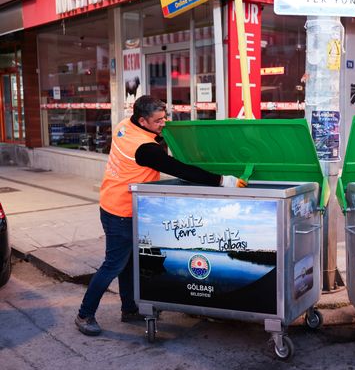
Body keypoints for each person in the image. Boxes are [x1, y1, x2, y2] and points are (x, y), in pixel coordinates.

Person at [75, 95, 247, 336]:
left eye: (165, 117)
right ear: (143, 121)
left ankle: (129, 309)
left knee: (128, 264)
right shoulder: (145, 149)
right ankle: (85, 314)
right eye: (158, 121)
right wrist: (221, 180)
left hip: (115, 202)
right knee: (113, 265)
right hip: (121, 211)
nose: (164, 123)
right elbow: (179, 169)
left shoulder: (125, 124)